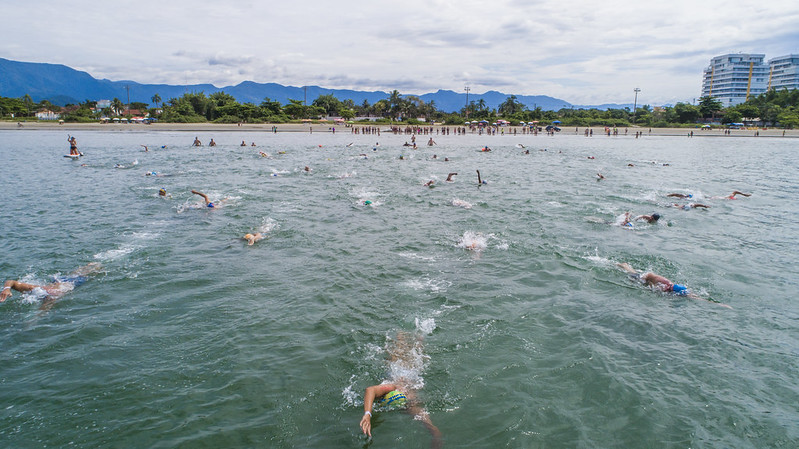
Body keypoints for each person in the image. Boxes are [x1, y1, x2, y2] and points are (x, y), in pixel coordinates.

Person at [359, 332, 442, 448]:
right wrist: (367, 414)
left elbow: (434, 430)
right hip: (410, 371)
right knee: (414, 354)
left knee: (399, 353)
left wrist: (435, 436)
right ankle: (415, 335)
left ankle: (409, 334)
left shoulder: (411, 403)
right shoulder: (394, 387)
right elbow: (370, 390)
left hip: (399, 370)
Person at [617, 262, 731, 308]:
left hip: (650, 280)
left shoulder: (671, 288)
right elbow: (649, 276)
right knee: (632, 273)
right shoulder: (663, 282)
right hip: (645, 278)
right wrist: (642, 283)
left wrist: (719, 304)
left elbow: (695, 297)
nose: (667, 288)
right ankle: (623, 265)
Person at [1, 263, 102, 309]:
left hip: (69, 282)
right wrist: (6, 289)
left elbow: (11, 282)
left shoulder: (48, 295)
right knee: (76, 274)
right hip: (63, 281)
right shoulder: (38, 290)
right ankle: (93, 265)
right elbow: (12, 282)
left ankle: (96, 265)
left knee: (89, 272)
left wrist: (6, 289)